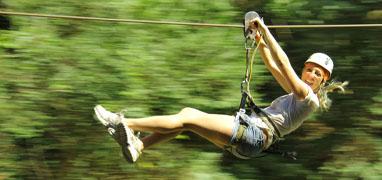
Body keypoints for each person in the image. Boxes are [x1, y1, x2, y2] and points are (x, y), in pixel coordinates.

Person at [93, 17, 347, 163]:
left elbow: (283, 63)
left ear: (322, 81)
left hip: (254, 134)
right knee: (187, 119)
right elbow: (273, 65)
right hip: (251, 139)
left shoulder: (309, 98)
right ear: (305, 71)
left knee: (188, 117)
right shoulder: (295, 95)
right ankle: (139, 146)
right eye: (310, 69)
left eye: (318, 74)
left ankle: (123, 122)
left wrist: (267, 31)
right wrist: (259, 41)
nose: (312, 75)